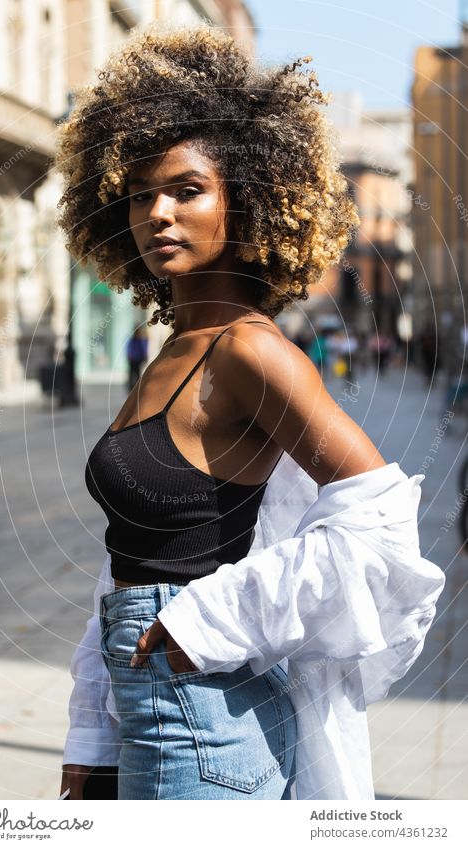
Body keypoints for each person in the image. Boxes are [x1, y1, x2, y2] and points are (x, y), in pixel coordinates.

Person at [54, 23, 445, 800]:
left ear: (250, 202)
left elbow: (380, 526)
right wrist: (91, 736)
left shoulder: (249, 351)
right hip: (152, 717)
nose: (157, 213)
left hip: (202, 725)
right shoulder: (175, 347)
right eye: (139, 196)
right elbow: (132, 557)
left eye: (186, 190)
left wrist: (212, 620)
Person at [126, 326, 149, 391]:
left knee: (137, 373)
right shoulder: (133, 340)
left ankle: (136, 387)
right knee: (132, 373)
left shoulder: (140, 340)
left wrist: (144, 357)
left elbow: (143, 349)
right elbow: (129, 349)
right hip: (133, 359)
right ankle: (132, 387)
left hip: (138, 359)